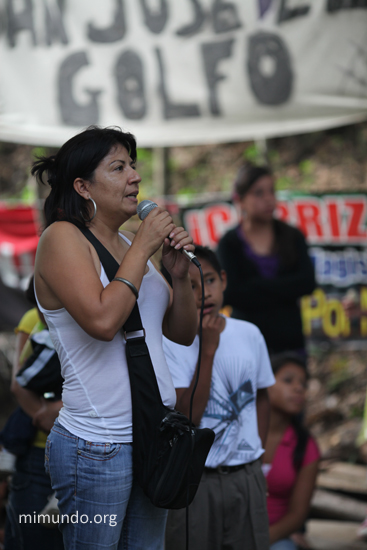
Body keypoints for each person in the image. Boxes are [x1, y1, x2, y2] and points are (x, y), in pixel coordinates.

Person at [32, 125, 197, 550]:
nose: (135, 177)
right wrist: (144, 249)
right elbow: (103, 322)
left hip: (152, 435)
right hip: (96, 444)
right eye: (119, 167)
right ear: (83, 186)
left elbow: (181, 332)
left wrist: (179, 278)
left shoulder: (128, 241)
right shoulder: (62, 238)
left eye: (134, 166)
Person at [163, 245, 275, 550]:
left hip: (246, 476)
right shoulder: (170, 343)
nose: (203, 294)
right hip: (197, 483)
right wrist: (208, 350)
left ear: (224, 280)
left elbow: (262, 397)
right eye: (190, 285)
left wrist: (258, 456)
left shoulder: (249, 333)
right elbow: (187, 418)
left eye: (209, 280)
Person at [217, 163, 316, 356]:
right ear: (241, 200)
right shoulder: (229, 243)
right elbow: (231, 293)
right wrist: (284, 289)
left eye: (272, 191)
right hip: (246, 346)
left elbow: (307, 283)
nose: (269, 199)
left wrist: (255, 286)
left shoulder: (292, 236)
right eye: (259, 193)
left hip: (289, 344)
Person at [4, 278, 64, 550]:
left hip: (73, 442)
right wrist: (43, 415)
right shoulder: (35, 321)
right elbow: (20, 382)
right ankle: (10, 449)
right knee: (31, 536)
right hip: (38, 451)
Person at [263, 352, 320, 550]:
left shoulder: (306, 446)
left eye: (303, 384)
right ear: (265, 383)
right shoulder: (239, 433)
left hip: (274, 537)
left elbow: (298, 514)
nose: (299, 388)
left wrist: (260, 541)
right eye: (288, 380)